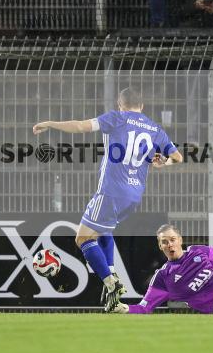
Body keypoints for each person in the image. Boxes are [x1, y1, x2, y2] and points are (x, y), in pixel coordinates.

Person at [33, 87, 183, 312]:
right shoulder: (154, 128)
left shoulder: (116, 118)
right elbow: (178, 157)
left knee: (83, 239)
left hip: (112, 191)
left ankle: (110, 282)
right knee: (104, 230)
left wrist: (50, 124)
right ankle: (111, 273)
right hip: (133, 196)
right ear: (141, 106)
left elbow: (80, 126)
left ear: (120, 105)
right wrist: (163, 163)